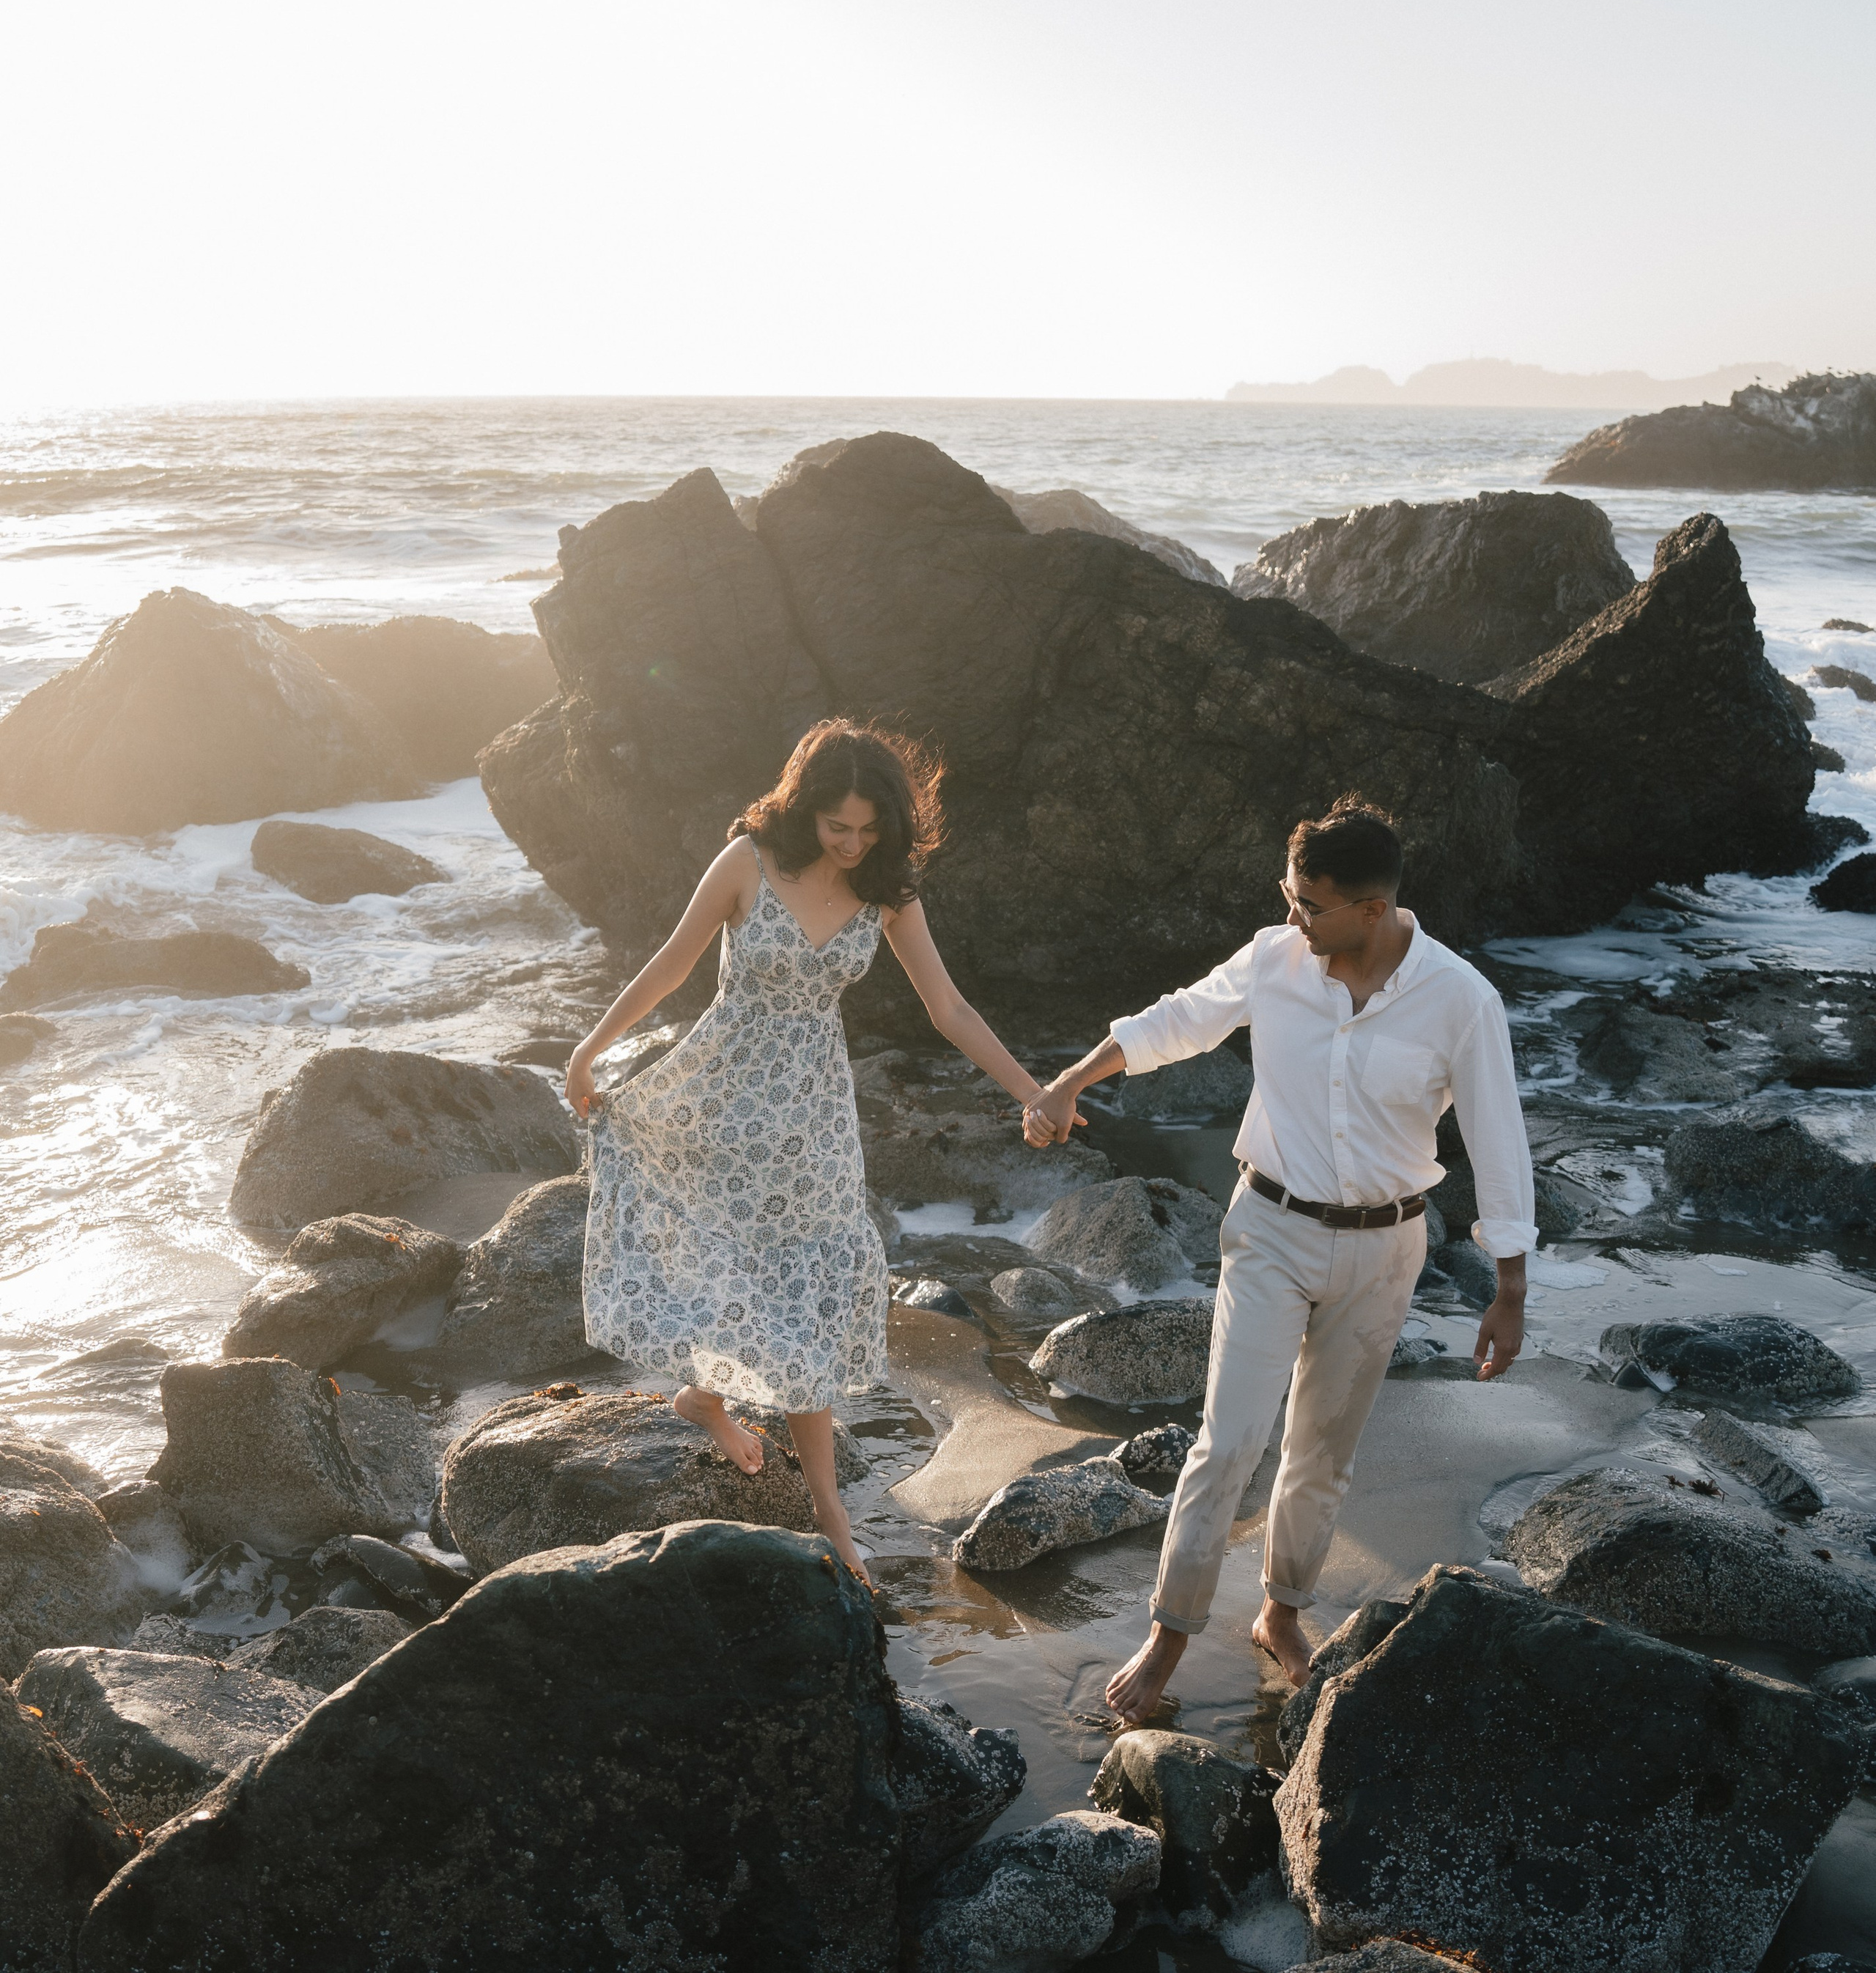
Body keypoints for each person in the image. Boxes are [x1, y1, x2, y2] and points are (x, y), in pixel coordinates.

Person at [1022, 797, 1533, 1716]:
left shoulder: (1461, 1000)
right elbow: (1176, 1021)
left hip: (1387, 1248)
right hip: (1269, 1229)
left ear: (1371, 911)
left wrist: (1509, 1288)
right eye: (1288, 895)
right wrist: (1067, 1081)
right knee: (1229, 1441)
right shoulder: (1275, 958)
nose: (1291, 917)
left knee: (1320, 1454)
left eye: (1310, 904)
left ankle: (1279, 1612)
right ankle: (1167, 1633)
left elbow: (1499, 1141)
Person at [566, 717, 1051, 1588]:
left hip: (814, 1115)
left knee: (808, 1282)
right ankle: (768, 1455)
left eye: (870, 831)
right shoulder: (747, 862)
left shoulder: (888, 892)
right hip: (723, 1092)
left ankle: (764, 1452)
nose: (854, 843)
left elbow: (949, 1009)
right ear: (805, 806)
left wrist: (1032, 1091)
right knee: (729, 1258)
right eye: (839, 828)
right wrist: (589, 1048)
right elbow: (673, 966)